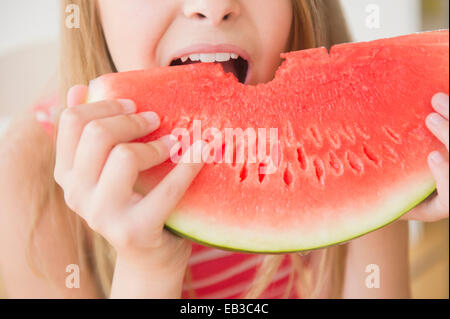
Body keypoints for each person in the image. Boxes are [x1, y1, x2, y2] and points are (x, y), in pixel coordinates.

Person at [0, 0, 448, 299]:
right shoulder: (26, 181)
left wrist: (382, 178)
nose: (213, 6)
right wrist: (148, 267)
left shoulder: (341, 125)